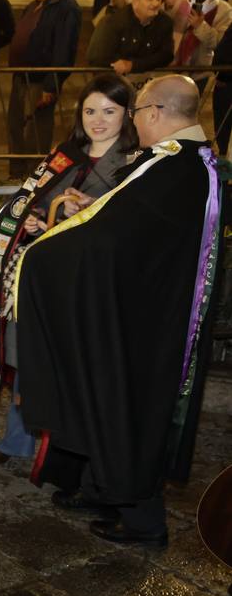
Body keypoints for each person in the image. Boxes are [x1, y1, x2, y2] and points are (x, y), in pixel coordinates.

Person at [15, 75, 219, 548]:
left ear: (154, 113)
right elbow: (128, 221)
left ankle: (144, 522)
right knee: (104, 398)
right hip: (137, 305)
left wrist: (45, 258)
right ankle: (101, 489)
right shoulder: (183, 162)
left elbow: (115, 239)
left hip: (145, 320)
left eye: (136, 112)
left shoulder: (178, 167)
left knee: (129, 405)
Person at [0, 74, 139, 464]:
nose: (98, 120)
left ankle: (65, 453)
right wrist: (35, 217)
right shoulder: (64, 155)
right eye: (90, 110)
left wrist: (79, 216)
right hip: (41, 275)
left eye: (109, 111)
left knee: (70, 365)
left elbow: (125, 227)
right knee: (29, 356)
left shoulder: (132, 166)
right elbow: (32, 199)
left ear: (127, 115)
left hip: (86, 284)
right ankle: (18, 440)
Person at [5, 0, 81, 177]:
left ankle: (31, 176)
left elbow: (64, 49)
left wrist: (51, 84)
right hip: (22, 77)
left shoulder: (66, 7)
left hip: (41, 80)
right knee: (16, 127)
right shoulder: (35, 5)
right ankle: (16, 173)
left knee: (36, 133)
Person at [86, 0, 174, 75]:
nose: (156, 3)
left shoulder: (165, 22)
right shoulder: (113, 22)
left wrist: (133, 65)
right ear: (135, 2)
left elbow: (166, 55)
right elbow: (97, 57)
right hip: (113, 78)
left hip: (148, 80)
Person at [171, 0, 232, 83]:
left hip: (202, 70)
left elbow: (219, 44)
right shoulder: (184, 2)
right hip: (176, 67)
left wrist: (200, 26)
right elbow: (171, 33)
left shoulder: (224, 10)